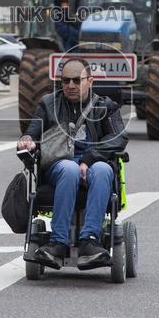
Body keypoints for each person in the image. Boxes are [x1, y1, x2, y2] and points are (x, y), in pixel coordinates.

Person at [16, 58, 128, 270]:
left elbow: (119, 138)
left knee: (104, 169)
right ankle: (58, 242)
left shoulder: (105, 106)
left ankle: (90, 241)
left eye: (77, 81)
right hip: (59, 166)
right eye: (65, 81)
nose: (70, 86)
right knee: (69, 170)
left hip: (94, 163)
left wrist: (88, 159)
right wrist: (27, 141)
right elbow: (31, 134)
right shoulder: (48, 104)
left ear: (90, 81)